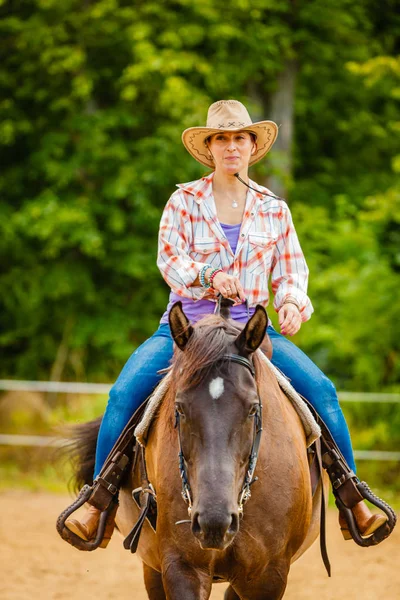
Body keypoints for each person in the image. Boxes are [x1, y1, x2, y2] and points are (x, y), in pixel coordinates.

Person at [65, 99, 388, 547]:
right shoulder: (184, 201)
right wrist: (208, 275)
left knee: (323, 392)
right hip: (188, 330)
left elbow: (292, 272)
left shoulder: (274, 209)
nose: (232, 146)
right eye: (222, 138)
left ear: (253, 146)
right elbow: (169, 261)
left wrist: (293, 302)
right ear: (210, 148)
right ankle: (97, 504)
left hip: (253, 335)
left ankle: (352, 500)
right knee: (123, 393)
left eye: (240, 138)